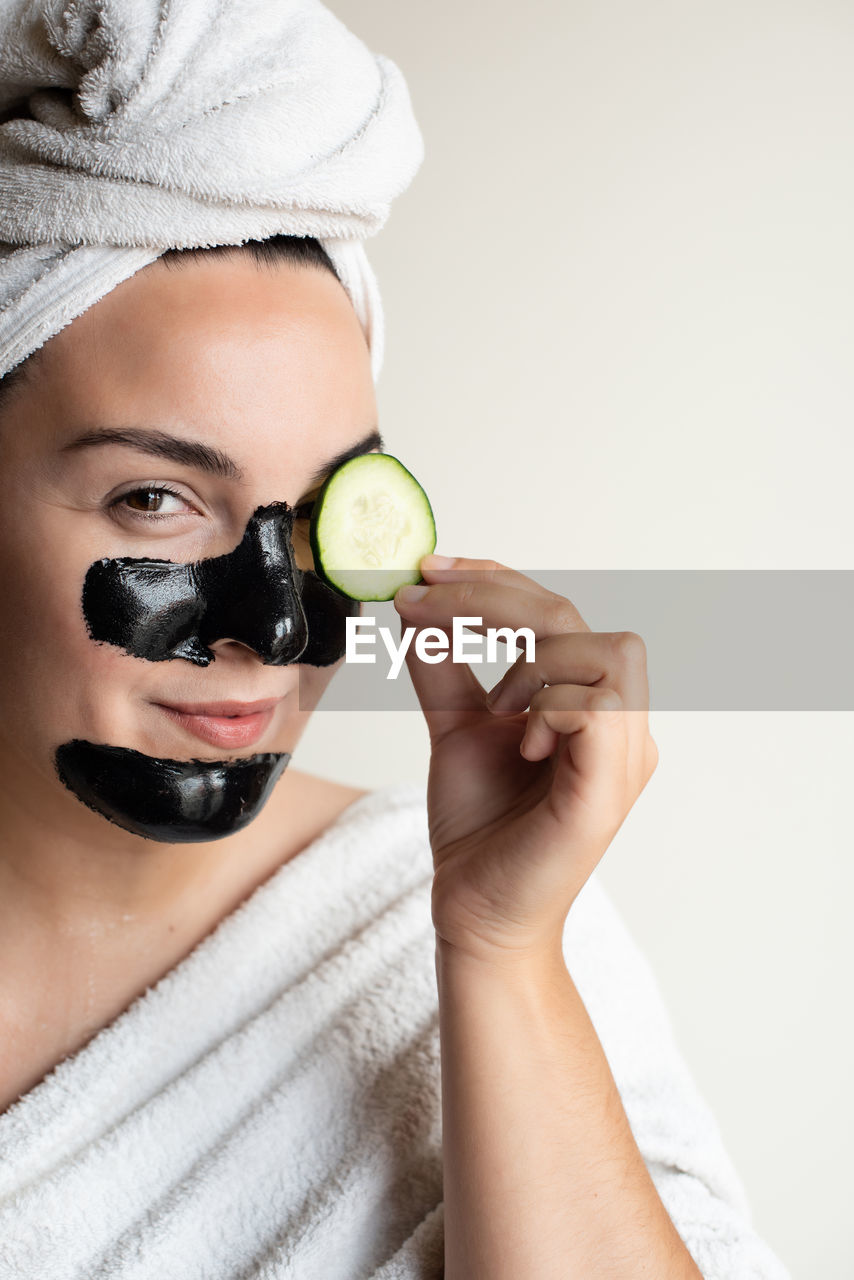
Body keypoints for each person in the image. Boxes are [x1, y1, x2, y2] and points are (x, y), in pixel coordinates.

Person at [0, 2, 792, 1277]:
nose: (272, 630)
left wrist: (497, 951)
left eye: (319, 515)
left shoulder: (452, 930)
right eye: (157, 497)